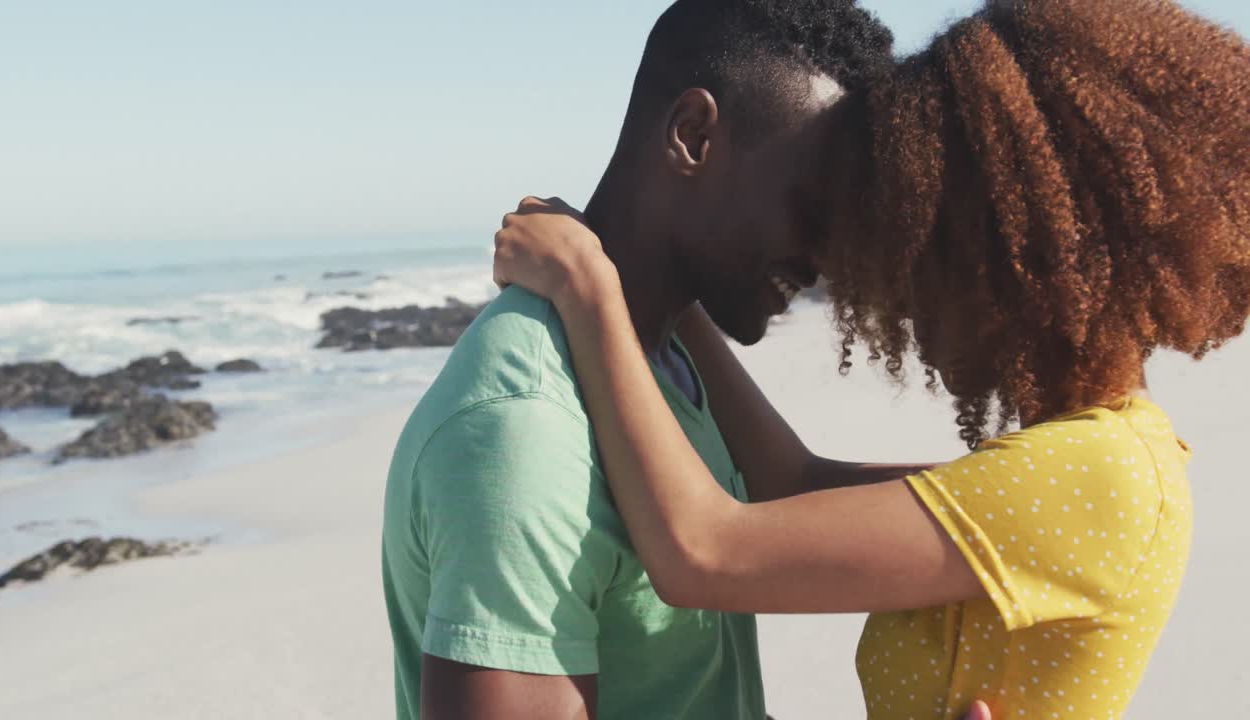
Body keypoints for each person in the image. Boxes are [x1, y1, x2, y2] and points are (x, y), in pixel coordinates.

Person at [491, 0, 1250, 718]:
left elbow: (702, 550)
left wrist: (586, 285)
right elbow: (790, 485)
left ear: (1016, 258)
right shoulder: (1089, 458)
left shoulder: (1095, 475)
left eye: (916, 244)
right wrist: (656, 280)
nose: (888, 285)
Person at [380, 1, 955, 718]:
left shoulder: (663, 350)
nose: (828, 254)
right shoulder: (527, 427)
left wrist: (1042, 491)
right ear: (692, 136)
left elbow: (792, 490)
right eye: (813, 204)